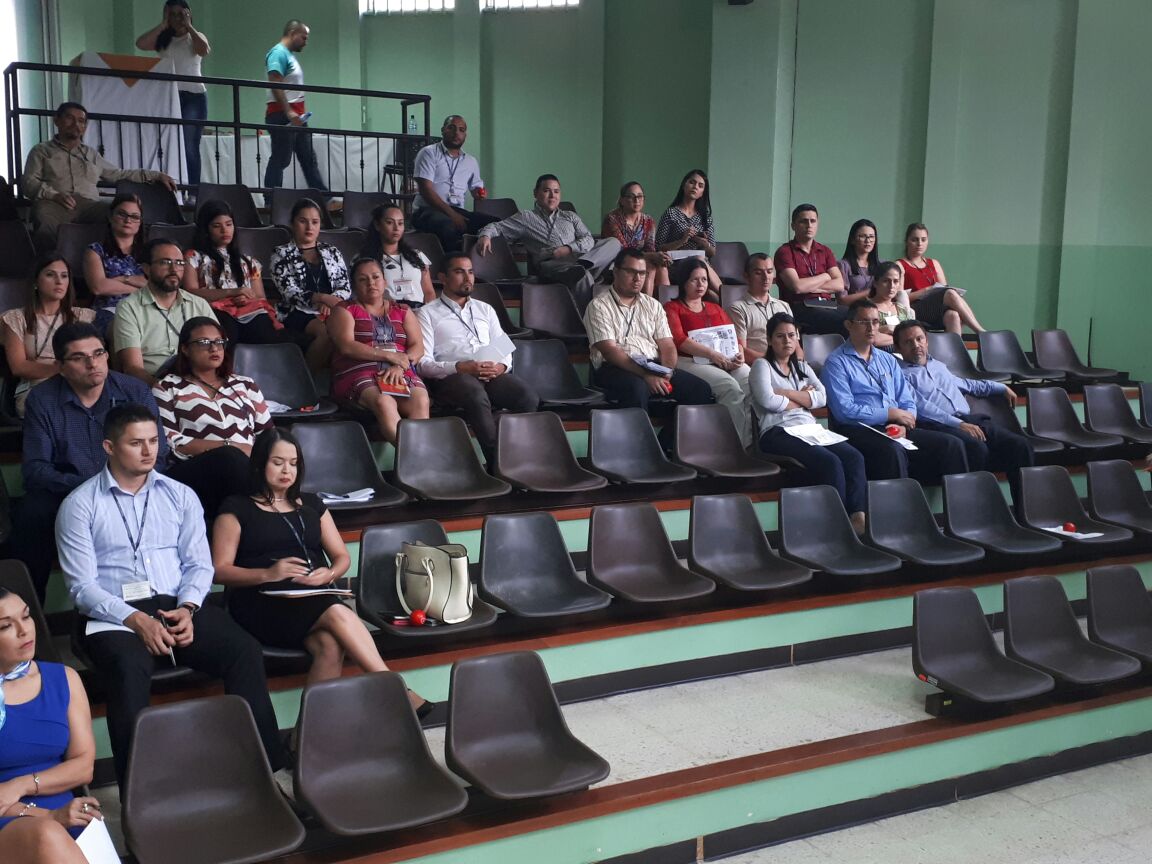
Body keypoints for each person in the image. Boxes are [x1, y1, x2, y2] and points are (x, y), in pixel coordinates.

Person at [56, 404, 291, 788]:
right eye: (136, 443)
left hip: (177, 603)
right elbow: (82, 587)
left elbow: (199, 565)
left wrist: (189, 607)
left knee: (243, 650)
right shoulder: (80, 505)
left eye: (153, 441)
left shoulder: (181, 495)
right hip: (114, 614)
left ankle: (266, 773)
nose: (148, 451)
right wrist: (136, 620)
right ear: (109, 447)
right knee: (127, 669)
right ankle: (140, 791)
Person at [212, 428, 434, 715]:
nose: (287, 470)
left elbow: (341, 557)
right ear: (259, 464)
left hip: (312, 595)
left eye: (293, 463)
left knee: (330, 646)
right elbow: (218, 571)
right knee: (338, 612)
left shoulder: (312, 504)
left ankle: (304, 736)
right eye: (278, 462)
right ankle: (395, 689)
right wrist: (268, 574)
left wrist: (328, 574)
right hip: (260, 602)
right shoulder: (236, 507)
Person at [14, 322, 163, 601]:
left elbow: (159, 455)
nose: (92, 363)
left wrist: (123, 486)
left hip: (132, 487)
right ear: (60, 366)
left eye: (98, 353)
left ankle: (168, 603)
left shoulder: (134, 391)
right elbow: (35, 469)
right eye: (79, 357)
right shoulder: (43, 400)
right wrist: (92, 487)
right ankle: (29, 611)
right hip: (71, 490)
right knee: (32, 512)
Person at [0, 587, 101, 864]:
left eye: (26, 616)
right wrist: (48, 816)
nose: (24, 631)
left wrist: (21, 785)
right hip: (12, 818)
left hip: (68, 812)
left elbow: (83, 766)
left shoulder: (64, 678)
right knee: (46, 834)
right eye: (6, 626)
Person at [820, 298, 968, 483]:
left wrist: (905, 423)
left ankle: (956, 500)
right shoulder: (836, 363)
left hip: (895, 426)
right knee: (892, 450)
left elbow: (907, 400)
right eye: (864, 322)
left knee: (951, 444)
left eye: (875, 322)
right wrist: (889, 413)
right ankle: (900, 501)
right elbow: (845, 411)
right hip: (859, 428)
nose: (871, 328)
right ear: (849, 325)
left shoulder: (888, 359)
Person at [584, 247, 712, 450]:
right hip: (614, 368)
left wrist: (666, 372)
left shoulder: (653, 305)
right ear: (616, 272)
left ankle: (663, 446)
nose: (638, 278)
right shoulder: (598, 305)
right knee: (638, 388)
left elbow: (668, 346)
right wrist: (646, 376)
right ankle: (638, 451)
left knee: (701, 390)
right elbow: (610, 351)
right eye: (631, 272)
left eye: (642, 273)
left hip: (654, 366)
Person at [751, 313, 868, 532]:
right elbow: (768, 400)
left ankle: (858, 517)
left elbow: (822, 398)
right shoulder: (762, 365)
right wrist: (804, 399)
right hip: (777, 431)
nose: (787, 341)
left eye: (791, 335)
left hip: (810, 429)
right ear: (769, 340)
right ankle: (837, 525)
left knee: (854, 457)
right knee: (830, 462)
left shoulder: (802, 367)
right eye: (780, 336)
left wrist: (786, 393)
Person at [416, 253, 538, 462]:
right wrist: (460, 367)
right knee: (474, 393)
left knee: (527, 397)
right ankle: (497, 463)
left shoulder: (485, 309)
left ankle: (518, 456)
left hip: (488, 374)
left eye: (471, 272)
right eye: (459, 272)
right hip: (451, 378)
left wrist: (501, 367)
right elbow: (423, 364)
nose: (468, 278)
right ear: (443, 278)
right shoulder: (426, 313)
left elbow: (503, 346)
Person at [894, 319, 1033, 502]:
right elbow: (922, 408)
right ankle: (976, 508)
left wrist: (999, 387)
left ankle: (1025, 510)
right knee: (976, 447)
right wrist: (959, 424)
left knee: (1020, 446)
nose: (916, 345)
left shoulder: (938, 366)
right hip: (939, 425)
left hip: (970, 419)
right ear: (898, 347)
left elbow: (966, 384)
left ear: (926, 340)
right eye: (908, 342)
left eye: (919, 339)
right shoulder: (900, 374)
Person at [153, 317, 272, 518]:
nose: (214, 348)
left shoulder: (245, 385)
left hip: (246, 466)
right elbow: (169, 440)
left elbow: (268, 434)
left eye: (219, 342)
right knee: (229, 458)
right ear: (185, 349)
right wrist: (229, 446)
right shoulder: (167, 387)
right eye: (204, 342)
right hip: (193, 470)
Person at [20, 102, 176, 251]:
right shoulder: (41, 151)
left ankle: (120, 260)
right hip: (55, 203)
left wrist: (155, 175)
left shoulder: (91, 154)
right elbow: (29, 182)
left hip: (90, 206)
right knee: (44, 216)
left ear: (85, 127)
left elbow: (119, 174)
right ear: (57, 121)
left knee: (122, 214)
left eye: (81, 121)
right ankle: (51, 263)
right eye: (70, 118)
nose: (75, 124)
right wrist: (54, 195)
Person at [476, 174, 620, 310]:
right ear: (535, 193)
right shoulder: (526, 218)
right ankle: (586, 321)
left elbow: (588, 239)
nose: (552, 195)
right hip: (553, 265)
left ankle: (583, 265)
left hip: (578, 258)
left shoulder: (570, 216)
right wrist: (485, 236)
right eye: (547, 191)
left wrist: (569, 248)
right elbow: (496, 227)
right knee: (583, 276)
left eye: (556, 191)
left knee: (613, 242)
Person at [329, 257, 430, 444]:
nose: (371, 283)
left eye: (376, 277)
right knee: (384, 401)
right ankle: (415, 456)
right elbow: (347, 346)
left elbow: (418, 347)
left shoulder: (403, 310)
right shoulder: (345, 309)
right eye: (363, 279)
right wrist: (390, 356)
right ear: (354, 285)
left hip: (400, 371)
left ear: (384, 281)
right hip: (359, 371)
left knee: (420, 399)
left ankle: (415, 455)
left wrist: (400, 365)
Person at [664, 260, 752, 446]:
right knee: (729, 387)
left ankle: (753, 444)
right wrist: (712, 355)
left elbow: (733, 336)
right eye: (694, 280)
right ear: (683, 281)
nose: (700, 284)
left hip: (723, 359)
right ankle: (735, 447)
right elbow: (679, 340)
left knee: (750, 383)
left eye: (704, 279)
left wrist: (739, 355)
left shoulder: (715, 308)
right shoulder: (672, 308)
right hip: (688, 360)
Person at [183, 200, 294, 345]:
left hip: (248, 311)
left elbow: (260, 297)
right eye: (217, 226)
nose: (224, 230)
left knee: (264, 328)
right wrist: (231, 293)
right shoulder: (193, 257)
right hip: (214, 310)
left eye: (229, 224)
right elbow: (190, 292)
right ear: (206, 229)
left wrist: (246, 299)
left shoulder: (249, 262)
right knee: (228, 330)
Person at [112, 238, 218, 387]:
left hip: (199, 382)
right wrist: (164, 391)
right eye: (165, 262)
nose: (174, 270)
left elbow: (218, 350)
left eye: (179, 263)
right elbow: (133, 369)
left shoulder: (199, 305)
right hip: (154, 384)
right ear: (146, 268)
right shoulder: (129, 307)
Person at [1, 254, 95, 417]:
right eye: (50, 275)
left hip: (78, 386)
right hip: (35, 388)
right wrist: (67, 368)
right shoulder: (15, 318)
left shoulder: (83, 317)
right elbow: (19, 367)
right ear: (36, 282)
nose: (59, 281)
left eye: (64, 276)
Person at [135, 0, 210, 185]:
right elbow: (140, 44)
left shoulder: (195, 36)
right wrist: (163, 24)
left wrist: (189, 26)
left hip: (193, 96)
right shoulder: (163, 39)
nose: (177, 18)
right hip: (168, 96)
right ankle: (170, 184)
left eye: (180, 14)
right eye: (172, 14)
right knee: (167, 143)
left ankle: (192, 190)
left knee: (189, 145)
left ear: (188, 14)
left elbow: (204, 50)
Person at [270, 198, 351, 370]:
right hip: (296, 310)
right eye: (303, 221)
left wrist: (330, 302)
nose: (309, 227)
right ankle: (306, 380)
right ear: (292, 223)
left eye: (315, 222)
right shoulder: (281, 254)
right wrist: (321, 298)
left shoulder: (332, 251)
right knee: (327, 333)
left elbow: (344, 286)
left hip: (332, 309)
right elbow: (289, 292)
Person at [409, 115, 499, 253]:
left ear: (465, 135)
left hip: (456, 210)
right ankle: (452, 263)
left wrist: (479, 193)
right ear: (443, 130)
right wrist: (453, 215)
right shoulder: (428, 153)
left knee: (495, 224)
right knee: (448, 225)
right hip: (426, 211)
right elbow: (426, 190)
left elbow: (476, 188)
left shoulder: (470, 161)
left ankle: (479, 264)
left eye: (461, 130)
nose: (456, 133)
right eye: (451, 128)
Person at [263, 20, 327, 192]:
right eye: (303, 37)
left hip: (297, 117)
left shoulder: (288, 55)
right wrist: (289, 112)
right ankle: (271, 199)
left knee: (308, 159)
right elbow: (275, 82)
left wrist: (294, 114)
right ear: (292, 33)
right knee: (281, 158)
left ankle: (323, 197)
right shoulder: (278, 53)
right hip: (283, 115)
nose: (306, 42)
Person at [774, 204, 849, 336]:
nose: (809, 225)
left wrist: (808, 286)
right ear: (793, 225)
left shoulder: (825, 251)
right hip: (799, 307)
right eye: (803, 221)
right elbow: (797, 287)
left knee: (859, 316)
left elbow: (839, 285)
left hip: (827, 305)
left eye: (813, 221)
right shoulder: (785, 252)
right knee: (847, 322)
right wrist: (825, 276)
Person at [81, 192, 147, 337]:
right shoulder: (96, 250)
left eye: (135, 216)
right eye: (122, 214)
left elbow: (156, 286)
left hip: (145, 310)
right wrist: (136, 286)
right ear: (111, 217)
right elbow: (99, 287)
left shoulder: (149, 253)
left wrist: (119, 280)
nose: (128, 220)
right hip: (110, 311)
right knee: (126, 330)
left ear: (140, 222)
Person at [899, 223, 986, 334]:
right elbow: (899, 299)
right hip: (916, 310)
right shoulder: (900, 265)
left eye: (923, 239)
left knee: (953, 315)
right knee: (950, 293)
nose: (919, 243)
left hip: (936, 310)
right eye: (915, 240)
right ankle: (979, 331)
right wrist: (927, 290)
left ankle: (956, 345)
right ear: (907, 241)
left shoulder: (934, 263)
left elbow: (943, 289)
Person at [357, 205, 436, 307]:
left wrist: (427, 312)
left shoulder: (417, 256)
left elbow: (429, 292)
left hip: (419, 310)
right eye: (389, 222)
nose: (396, 228)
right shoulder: (364, 259)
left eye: (400, 223)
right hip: (387, 311)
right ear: (377, 225)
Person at [601, 181, 670, 295]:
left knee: (662, 267)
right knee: (650, 268)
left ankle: (664, 305)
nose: (636, 200)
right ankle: (644, 305)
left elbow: (650, 248)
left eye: (640, 196)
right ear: (622, 200)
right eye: (631, 196)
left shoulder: (648, 220)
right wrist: (651, 256)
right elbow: (623, 251)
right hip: (617, 262)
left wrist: (660, 257)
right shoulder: (612, 219)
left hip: (642, 260)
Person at [726, 253, 791, 365]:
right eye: (758, 273)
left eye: (769, 272)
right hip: (759, 366)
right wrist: (775, 362)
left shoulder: (784, 306)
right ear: (746, 276)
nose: (766, 277)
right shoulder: (737, 309)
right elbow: (742, 351)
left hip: (786, 365)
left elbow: (796, 345)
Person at [656, 169, 716, 259]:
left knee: (699, 261)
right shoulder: (671, 213)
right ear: (684, 185)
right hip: (675, 261)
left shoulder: (705, 216)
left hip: (699, 261)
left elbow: (712, 252)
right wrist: (682, 240)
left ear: (702, 193)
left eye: (700, 186)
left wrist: (705, 244)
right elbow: (658, 247)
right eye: (692, 182)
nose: (695, 187)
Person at [867, 262, 913, 350]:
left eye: (895, 281)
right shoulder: (866, 309)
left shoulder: (901, 309)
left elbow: (912, 335)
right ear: (875, 283)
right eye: (886, 281)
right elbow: (874, 339)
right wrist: (902, 338)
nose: (891, 286)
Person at [837, 219, 882, 301]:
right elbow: (842, 300)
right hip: (853, 308)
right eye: (863, 236)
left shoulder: (881, 265)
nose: (868, 240)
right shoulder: (843, 265)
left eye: (871, 236)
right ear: (852, 240)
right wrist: (871, 292)